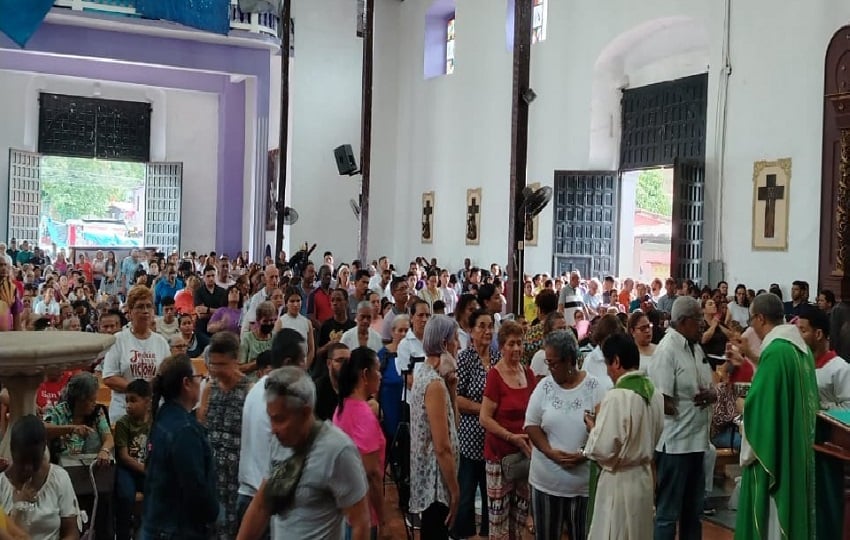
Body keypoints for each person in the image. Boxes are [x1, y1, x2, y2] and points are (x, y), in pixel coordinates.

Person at [236, 367, 371, 540]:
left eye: (280, 419)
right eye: (271, 418)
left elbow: (360, 522)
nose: (273, 428)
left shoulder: (338, 450)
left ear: (305, 413)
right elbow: (262, 505)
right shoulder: (280, 442)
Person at [731, 293, 818, 539]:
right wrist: (750, 357)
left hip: (775, 455)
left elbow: (762, 408)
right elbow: (781, 392)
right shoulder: (800, 350)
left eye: (751, 321)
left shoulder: (776, 352)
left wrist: (743, 407)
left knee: (771, 522)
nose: (751, 327)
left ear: (759, 318)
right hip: (795, 450)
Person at [524, 330, 605, 540]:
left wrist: (584, 454)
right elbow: (531, 425)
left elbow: (604, 430)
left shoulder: (596, 388)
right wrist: (550, 452)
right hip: (546, 482)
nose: (549, 369)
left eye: (553, 363)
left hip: (583, 485)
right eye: (547, 363)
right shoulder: (545, 387)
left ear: (570, 360)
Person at [647, 295, 715, 540]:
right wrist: (686, 406)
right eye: (698, 319)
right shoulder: (667, 350)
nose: (702, 324)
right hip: (675, 445)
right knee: (668, 514)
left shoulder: (696, 348)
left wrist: (710, 395)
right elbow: (660, 400)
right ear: (684, 321)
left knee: (693, 513)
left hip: (697, 442)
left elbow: (706, 385)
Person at [583, 334, 664, 540]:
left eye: (608, 364)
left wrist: (593, 428)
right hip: (644, 479)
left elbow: (603, 448)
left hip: (620, 481)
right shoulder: (654, 393)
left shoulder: (617, 396)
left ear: (617, 361)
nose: (608, 372)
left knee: (615, 533)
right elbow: (657, 432)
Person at [236, 331, 305, 539]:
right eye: (301, 360)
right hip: (267, 505)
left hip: (248, 495)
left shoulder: (256, 389)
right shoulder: (285, 397)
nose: (305, 366)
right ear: (287, 362)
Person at [143, 354, 219, 539]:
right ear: (186, 383)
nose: (200, 382)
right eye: (198, 377)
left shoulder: (164, 416)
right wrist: (213, 513)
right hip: (177, 528)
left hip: (159, 523)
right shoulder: (184, 431)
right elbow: (194, 486)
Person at [479, 320, 537, 539]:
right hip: (498, 457)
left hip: (524, 456)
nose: (516, 349)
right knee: (499, 521)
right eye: (511, 343)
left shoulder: (529, 374)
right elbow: (485, 418)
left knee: (520, 517)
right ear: (501, 346)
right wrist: (511, 437)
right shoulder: (495, 376)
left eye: (519, 343)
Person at [409, 315, 460, 540]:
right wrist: (455, 490)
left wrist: (453, 389)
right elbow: (442, 447)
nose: (458, 345)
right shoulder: (434, 384)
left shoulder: (432, 377)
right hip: (436, 485)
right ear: (443, 344)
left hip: (434, 484)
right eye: (455, 340)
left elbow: (453, 426)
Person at [198, 332, 253, 540]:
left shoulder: (249, 390)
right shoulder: (209, 388)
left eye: (222, 364)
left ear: (235, 360)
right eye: (213, 364)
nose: (217, 370)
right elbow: (201, 424)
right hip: (212, 471)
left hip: (238, 473)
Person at [333, 347, 388, 539]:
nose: (380, 376)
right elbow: (372, 474)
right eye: (378, 370)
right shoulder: (364, 415)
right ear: (365, 374)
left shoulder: (342, 407)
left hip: (345, 506)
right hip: (362, 514)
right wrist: (382, 519)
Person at [0, 415, 80, 540]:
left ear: (44, 449)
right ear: (12, 450)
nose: (28, 467)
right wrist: (18, 506)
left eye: (35, 460)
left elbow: (72, 532)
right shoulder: (1, 484)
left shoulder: (59, 478)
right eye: (22, 460)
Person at [103, 286, 170, 420]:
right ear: (130, 311)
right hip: (123, 412)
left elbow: (167, 376)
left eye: (148, 306)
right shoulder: (118, 340)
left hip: (153, 411)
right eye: (140, 307)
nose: (145, 311)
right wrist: (139, 390)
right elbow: (109, 377)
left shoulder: (161, 342)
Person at [44, 372, 114, 463]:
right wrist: (72, 429)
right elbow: (44, 429)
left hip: (92, 465)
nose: (94, 403)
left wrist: (104, 450)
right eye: (91, 400)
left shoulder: (97, 412)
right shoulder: (59, 412)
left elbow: (109, 438)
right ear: (80, 399)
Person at [114, 379, 151, 540]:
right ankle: (122, 533)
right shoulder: (123, 423)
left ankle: (146, 530)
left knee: (158, 491)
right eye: (127, 400)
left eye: (134, 400)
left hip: (147, 468)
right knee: (125, 495)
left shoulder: (154, 423)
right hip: (127, 469)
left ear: (147, 401)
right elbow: (123, 456)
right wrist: (145, 469)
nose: (128, 405)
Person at [797, 306, 850, 409]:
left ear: (818, 334)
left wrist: (819, 407)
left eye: (803, 331)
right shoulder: (800, 364)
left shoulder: (841, 369)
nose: (798, 337)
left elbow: (848, 410)